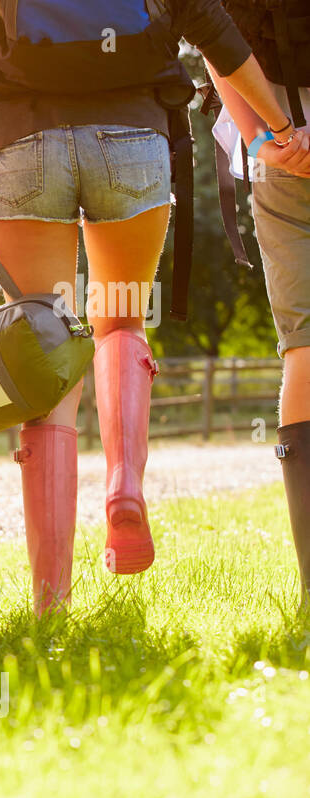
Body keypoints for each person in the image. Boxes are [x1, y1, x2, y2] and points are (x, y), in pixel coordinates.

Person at [0, 0, 306, 614]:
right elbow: (212, 26)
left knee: (46, 341)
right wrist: (277, 126)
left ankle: (50, 599)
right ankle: (123, 487)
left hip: (19, 146)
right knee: (120, 321)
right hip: (133, 141)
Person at [207, 0, 310, 606]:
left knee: (303, 347)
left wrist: (260, 136)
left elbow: (215, 35)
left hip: (282, 145)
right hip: (280, 144)